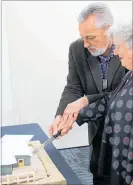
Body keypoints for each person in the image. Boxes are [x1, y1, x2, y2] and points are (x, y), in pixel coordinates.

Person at [48, 3, 127, 185]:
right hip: (98, 131)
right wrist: (62, 116)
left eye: (90, 37)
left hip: (125, 132)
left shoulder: (128, 49)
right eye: (83, 37)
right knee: (100, 175)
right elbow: (73, 86)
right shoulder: (77, 49)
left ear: (108, 29)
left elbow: (122, 94)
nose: (85, 43)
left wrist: (84, 102)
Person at [76, 21, 133, 185]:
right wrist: (76, 114)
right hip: (121, 158)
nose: (115, 52)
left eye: (119, 46)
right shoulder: (129, 75)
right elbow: (111, 100)